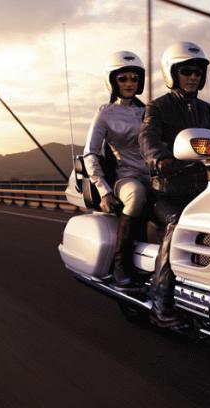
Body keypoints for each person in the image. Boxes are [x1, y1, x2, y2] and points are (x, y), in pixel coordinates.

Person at [139, 41, 210, 327]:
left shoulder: (207, 110)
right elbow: (148, 139)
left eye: (198, 72)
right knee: (178, 225)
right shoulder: (157, 107)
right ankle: (160, 303)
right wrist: (159, 158)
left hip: (205, 192)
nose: (193, 77)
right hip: (168, 194)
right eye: (186, 71)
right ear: (172, 74)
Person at [83, 50, 150, 291]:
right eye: (123, 79)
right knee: (136, 195)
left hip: (155, 176)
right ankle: (121, 265)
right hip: (127, 177)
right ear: (113, 81)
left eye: (134, 78)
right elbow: (90, 152)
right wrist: (104, 190)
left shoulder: (149, 111)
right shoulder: (106, 113)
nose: (129, 83)